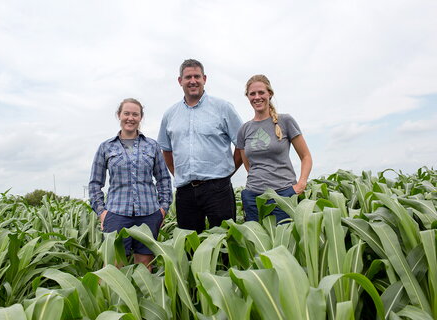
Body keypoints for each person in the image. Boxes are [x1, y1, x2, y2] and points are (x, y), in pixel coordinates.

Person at [157, 59, 243, 233]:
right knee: (190, 247)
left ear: (204, 78)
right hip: (185, 192)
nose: (193, 81)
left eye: (197, 76)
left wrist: (227, 172)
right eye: (188, 77)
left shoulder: (223, 108)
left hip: (218, 189)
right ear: (180, 81)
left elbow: (241, 144)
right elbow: (166, 150)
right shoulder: (170, 114)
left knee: (225, 243)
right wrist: (179, 174)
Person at [89, 98, 172, 270]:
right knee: (114, 266)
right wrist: (102, 212)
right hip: (117, 214)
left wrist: (163, 208)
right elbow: (95, 184)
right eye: (126, 113)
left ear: (141, 117)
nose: (130, 118)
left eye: (135, 114)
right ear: (119, 115)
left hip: (148, 213)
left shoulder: (152, 146)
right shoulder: (106, 147)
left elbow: (163, 179)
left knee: (144, 267)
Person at [236, 75, 312, 223]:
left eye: (261, 92)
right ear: (248, 97)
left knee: (286, 242)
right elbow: (248, 166)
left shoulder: (285, 121)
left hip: (284, 194)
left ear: (270, 94)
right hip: (253, 197)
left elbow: (306, 157)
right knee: (257, 244)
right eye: (252, 94)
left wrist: (301, 184)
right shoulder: (244, 130)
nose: (257, 97)